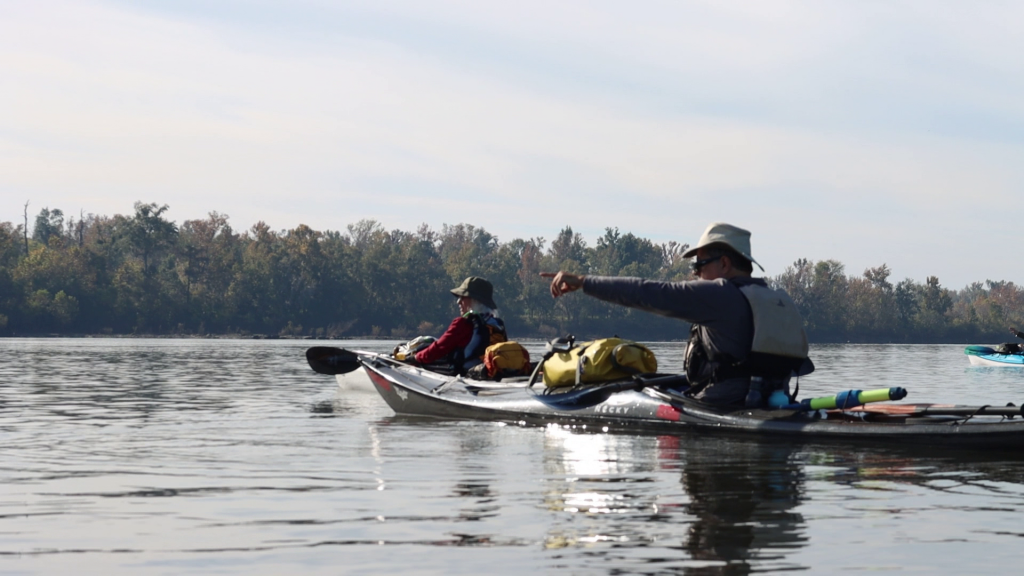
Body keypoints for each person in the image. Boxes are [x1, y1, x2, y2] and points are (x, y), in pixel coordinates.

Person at [541, 222, 811, 408]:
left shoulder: (720, 294)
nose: (695, 274)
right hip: (774, 400)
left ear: (725, 264)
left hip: (722, 406)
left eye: (699, 265)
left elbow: (649, 292)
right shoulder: (777, 298)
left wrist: (585, 282)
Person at [412, 276, 508, 374]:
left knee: (422, 349)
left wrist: (415, 357)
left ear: (474, 300)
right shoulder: (497, 323)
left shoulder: (463, 323)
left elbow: (439, 348)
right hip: (492, 372)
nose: (458, 301)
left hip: (467, 374)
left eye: (462, 297)